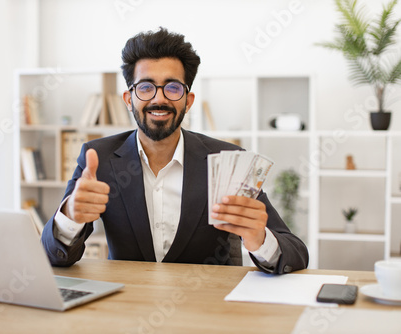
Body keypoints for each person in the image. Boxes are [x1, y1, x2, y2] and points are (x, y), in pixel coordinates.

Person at [41, 27, 309, 274]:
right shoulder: (98, 160)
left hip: (207, 310)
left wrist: (259, 238)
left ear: (188, 100)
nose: (159, 98)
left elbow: (295, 254)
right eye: (145, 87)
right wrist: (70, 217)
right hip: (126, 310)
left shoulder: (228, 161)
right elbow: (55, 256)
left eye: (172, 87)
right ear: (128, 99)